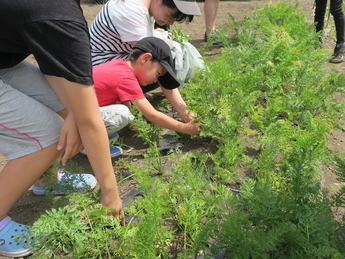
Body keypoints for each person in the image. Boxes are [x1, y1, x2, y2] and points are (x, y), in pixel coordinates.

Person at [0, 0, 124, 257]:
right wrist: (110, 196)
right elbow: (90, 122)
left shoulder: (58, 10)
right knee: (45, 135)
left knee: (68, 110)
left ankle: (45, 180)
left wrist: (75, 115)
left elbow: (60, 71)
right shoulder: (58, 16)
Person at [92, 37, 200, 140]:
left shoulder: (120, 65)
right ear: (146, 59)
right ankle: (88, 141)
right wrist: (186, 128)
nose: (156, 80)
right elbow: (152, 115)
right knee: (122, 113)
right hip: (79, 115)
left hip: (80, 110)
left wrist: (133, 123)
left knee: (123, 110)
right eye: (158, 73)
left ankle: (93, 133)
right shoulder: (125, 78)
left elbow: (125, 100)